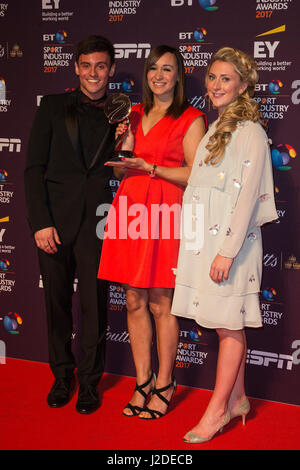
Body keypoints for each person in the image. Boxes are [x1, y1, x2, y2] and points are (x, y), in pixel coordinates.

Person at [171, 47, 278, 442]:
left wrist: (227, 251)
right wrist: (195, 248)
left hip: (231, 247)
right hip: (207, 245)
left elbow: (247, 198)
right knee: (225, 326)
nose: (216, 85)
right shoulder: (216, 129)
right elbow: (199, 193)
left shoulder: (251, 133)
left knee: (229, 328)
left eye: (226, 79)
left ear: (243, 85)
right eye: (212, 78)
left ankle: (216, 412)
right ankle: (238, 399)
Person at [98, 45, 206, 419]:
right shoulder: (133, 113)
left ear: (178, 77)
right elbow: (117, 172)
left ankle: (164, 382)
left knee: (162, 303)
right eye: (153, 69)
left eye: (168, 69)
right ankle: (141, 382)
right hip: (130, 210)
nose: (159, 75)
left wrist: (152, 167)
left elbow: (195, 173)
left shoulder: (191, 118)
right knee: (133, 301)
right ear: (146, 75)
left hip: (165, 212)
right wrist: (124, 146)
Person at [24, 35, 117, 414]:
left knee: (95, 306)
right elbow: (33, 168)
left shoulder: (124, 113)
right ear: (76, 67)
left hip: (98, 223)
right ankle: (63, 376)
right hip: (55, 225)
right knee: (56, 304)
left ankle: (91, 382)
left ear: (110, 69)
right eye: (86, 65)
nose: (93, 73)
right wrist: (40, 222)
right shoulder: (51, 106)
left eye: (100, 66)